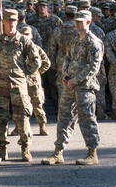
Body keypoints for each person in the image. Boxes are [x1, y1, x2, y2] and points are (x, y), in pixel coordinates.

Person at [41, 10, 104, 166]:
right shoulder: (75, 39)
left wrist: (75, 80)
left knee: (87, 119)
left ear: (88, 22)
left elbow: (93, 68)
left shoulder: (93, 42)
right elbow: (68, 57)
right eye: (76, 21)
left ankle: (92, 153)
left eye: (80, 21)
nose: (77, 23)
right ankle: (58, 152)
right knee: (64, 117)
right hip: (69, 85)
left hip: (85, 87)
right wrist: (65, 73)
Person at [0, 9, 41, 162]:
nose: (11, 23)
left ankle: (25, 149)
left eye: (14, 21)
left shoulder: (24, 41)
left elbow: (36, 61)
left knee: (22, 119)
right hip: (0, 87)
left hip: (18, 88)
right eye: (8, 21)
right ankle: (2, 150)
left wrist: (24, 74)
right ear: (3, 22)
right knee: (0, 119)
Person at [17, 25, 51, 136]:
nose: (26, 37)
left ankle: (42, 126)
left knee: (37, 104)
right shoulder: (17, 50)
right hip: (20, 81)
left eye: (27, 34)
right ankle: (19, 127)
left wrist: (36, 72)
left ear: (31, 36)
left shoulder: (36, 48)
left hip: (34, 82)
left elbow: (46, 63)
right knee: (20, 106)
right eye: (23, 35)